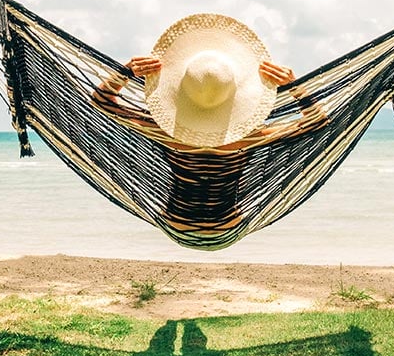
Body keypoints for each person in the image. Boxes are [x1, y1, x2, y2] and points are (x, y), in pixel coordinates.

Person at [92, 13, 326, 233]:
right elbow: (317, 121)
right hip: (226, 229)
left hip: (176, 226)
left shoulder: (166, 130)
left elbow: (101, 101)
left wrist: (127, 71)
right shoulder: (248, 137)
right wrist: (295, 86)